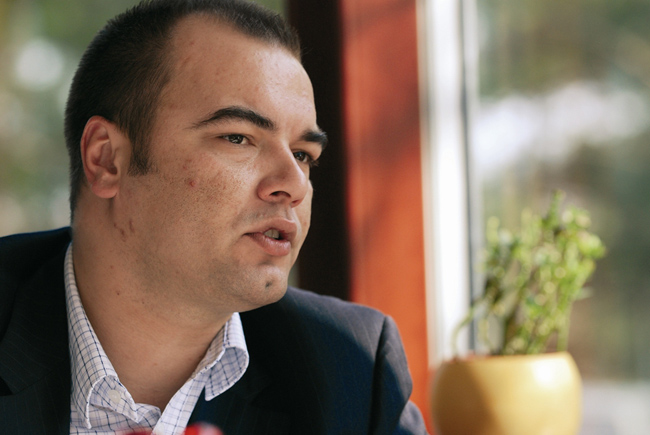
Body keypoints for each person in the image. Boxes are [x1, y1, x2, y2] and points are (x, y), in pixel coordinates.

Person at [0, 0, 428, 434]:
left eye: (303, 154)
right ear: (107, 159)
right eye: (238, 138)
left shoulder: (351, 369)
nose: (294, 184)